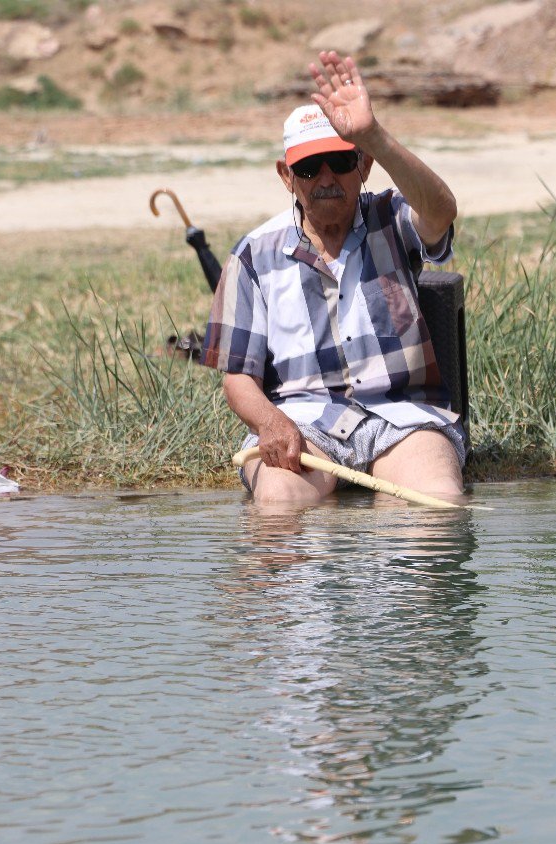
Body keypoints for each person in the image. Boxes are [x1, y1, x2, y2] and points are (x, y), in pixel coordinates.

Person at [201, 50, 466, 505]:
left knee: (435, 507)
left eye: (340, 162)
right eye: (308, 167)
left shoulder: (393, 219)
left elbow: (441, 211)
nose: (326, 178)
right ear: (287, 176)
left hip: (401, 421)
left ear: (363, 166)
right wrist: (270, 423)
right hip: (302, 424)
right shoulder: (251, 256)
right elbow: (237, 378)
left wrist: (373, 136)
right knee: (280, 506)